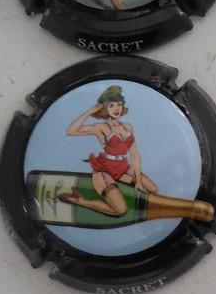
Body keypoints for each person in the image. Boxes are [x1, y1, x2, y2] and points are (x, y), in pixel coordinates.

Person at [57, 85, 158, 216]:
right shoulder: (101, 127)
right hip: (105, 171)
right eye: (111, 105)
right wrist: (90, 111)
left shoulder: (127, 127)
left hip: (123, 169)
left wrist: (138, 181)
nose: (116, 109)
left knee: (153, 189)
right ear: (105, 108)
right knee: (120, 210)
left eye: (119, 104)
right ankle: (80, 201)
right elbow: (71, 131)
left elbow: (135, 155)